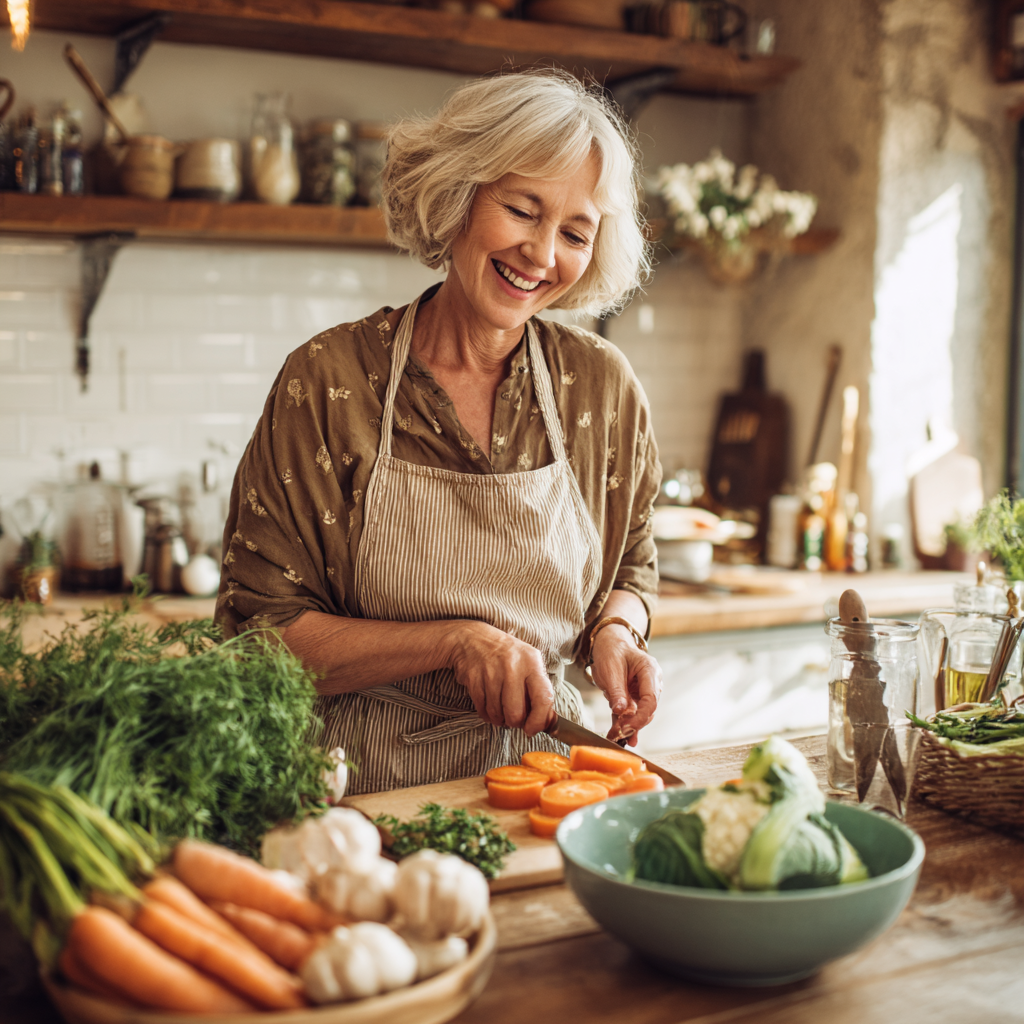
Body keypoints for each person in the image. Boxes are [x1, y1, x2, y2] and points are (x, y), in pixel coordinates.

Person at [216, 69, 664, 794]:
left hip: (544, 783)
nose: (543, 255)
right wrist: (456, 643)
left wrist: (619, 632)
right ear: (460, 195)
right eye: (523, 210)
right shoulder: (330, 380)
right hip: (356, 793)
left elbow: (634, 558)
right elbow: (259, 634)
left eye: (575, 232)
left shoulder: (600, 386)